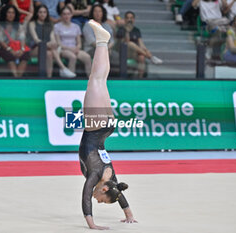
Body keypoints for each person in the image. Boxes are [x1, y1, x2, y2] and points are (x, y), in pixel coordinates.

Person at [79, 19, 137, 230]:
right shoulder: (96, 175)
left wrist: (128, 213)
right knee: (95, 80)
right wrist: (92, 224)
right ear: (104, 190)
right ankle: (102, 41)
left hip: (106, 128)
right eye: (101, 200)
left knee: (100, 80)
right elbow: (86, 198)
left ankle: (103, 42)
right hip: (95, 128)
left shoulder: (110, 176)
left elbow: (118, 192)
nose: (97, 201)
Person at [28, 4, 76, 77]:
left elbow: (52, 38)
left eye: (44, 12)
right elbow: (36, 39)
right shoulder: (32, 23)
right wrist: (46, 44)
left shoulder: (50, 24)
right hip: (35, 48)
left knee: (49, 54)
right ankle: (63, 68)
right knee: (49, 50)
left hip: (47, 48)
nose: (42, 14)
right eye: (40, 12)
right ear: (37, 13)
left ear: (47, 14)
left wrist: (53, 43)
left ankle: (49, 77)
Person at [116, 11, 163, 78]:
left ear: (134, 19)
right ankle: (151, 57)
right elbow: (125, 41)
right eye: (128, 18)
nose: (129, 20)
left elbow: (141, 43)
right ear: (125, 19)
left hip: (135, 52)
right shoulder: (121, 29)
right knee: (130, 43)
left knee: (142, 57)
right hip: (123, 52)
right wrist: (127, 30)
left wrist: (146, 50)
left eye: (131, 18)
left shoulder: (136, 30)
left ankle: (140, 78)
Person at [54, 6, 91, 76]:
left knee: (87, 57)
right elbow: (58, 43)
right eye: (64, 14)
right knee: (72, 57)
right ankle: (70, 78)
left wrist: (77, 48)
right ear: (61, 15)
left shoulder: (76, 26)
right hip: (63, 50)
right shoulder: (57, 26)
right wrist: (71, 49)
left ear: (71, 15)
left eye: (68, 14)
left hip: (75, 49)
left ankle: (90, 80)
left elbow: (79, 42)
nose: (66, 16)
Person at [0, 4, 30, 77]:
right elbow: (0, 41)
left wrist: (22, 49)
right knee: (10, 57)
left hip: (18, 48)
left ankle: (19, 77)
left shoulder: (18, 25)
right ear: (5, 13)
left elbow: (22, 38)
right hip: (5, 48)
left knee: (25, 56)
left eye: (13, 13)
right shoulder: (0, 25)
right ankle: (15, 78)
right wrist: (10, 50)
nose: (11, 15)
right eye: (9, 12)